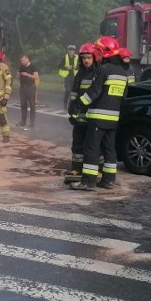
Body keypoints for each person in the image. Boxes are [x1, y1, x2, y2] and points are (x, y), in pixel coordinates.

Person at [70, 36, 127, 191]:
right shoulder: (122, 72)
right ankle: (108, 180)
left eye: (99, 52)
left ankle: (88, 182)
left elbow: (93, 93)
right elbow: (124, 96)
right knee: (109, 149)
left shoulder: (103, 69)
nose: (98, 55)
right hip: (113, 118)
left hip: (97, 118)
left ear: (105, 52)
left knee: (91, 148)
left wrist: (78, 105)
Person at [64, 43, 99, 184]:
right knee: (77, 142)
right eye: (84, 57)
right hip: (80, 114)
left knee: (93, 144)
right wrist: (71, 111)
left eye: (89, 57)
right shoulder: (80, 74)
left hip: (93, 115)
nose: (86, 60)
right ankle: (77, 168)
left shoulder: (98, 73)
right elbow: (74, 94)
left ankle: (98, 168)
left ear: (94, 58)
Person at [16, 54, 39, 130]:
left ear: (27, 59)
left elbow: (36, 77)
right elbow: (17, 77)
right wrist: (18, 74)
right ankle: (23, 121)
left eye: (23, 60)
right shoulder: (21, 67)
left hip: (30, 87)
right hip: (22, 87)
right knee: (23, 105)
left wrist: (27, 75)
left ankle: (32, 123)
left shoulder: (33, 66)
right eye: (21, 61)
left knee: (32, 104)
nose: (22, 62)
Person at [58, 44, 79, 109]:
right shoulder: (65, 57)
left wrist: (75, 67)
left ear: (74, 51)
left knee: (73, 91)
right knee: (68, 90)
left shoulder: (77, 57)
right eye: (70, 50)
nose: (71, 52)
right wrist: (67, 67)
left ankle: (72, 104)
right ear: (68, 51)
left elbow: (80, 66)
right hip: (67, 76)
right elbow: (60, 66)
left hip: (75, 76)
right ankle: (65, 103)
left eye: (72, 50)